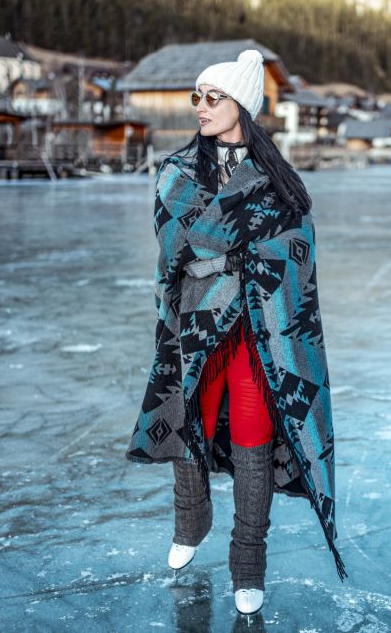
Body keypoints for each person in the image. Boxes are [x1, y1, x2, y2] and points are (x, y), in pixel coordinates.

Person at [125, 48, 346, 617]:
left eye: (212, 96)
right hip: (196, 320)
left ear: (241, 105)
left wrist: (237, 257)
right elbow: (176, 246)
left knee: (253, 431)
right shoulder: (176, 173)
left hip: (258, 326)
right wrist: (229, 252)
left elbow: (297, 255)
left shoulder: (279, 182)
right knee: (189, 414)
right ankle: (191, 518)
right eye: (196, 96)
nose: (200, 106)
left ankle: (249, 561)